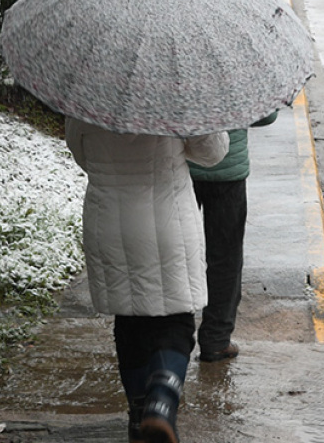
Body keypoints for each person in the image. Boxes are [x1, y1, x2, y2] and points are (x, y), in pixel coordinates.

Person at [65, 117, 229, 443]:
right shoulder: (173, 92)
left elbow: (80, 152)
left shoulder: (87, 96)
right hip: (167, 218)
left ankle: (139, 417)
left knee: (129, 320)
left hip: (109, 220)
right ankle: (160, 405)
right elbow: (213, 152)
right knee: (176, 322)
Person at [189, 111, 278, 363]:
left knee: (179, 255)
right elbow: (266, 115)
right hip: (228, 172)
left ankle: (178, 337)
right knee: (225, 257)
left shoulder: (170, 71)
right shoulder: (236, 72)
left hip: (180, 171)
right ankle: (216, 340)